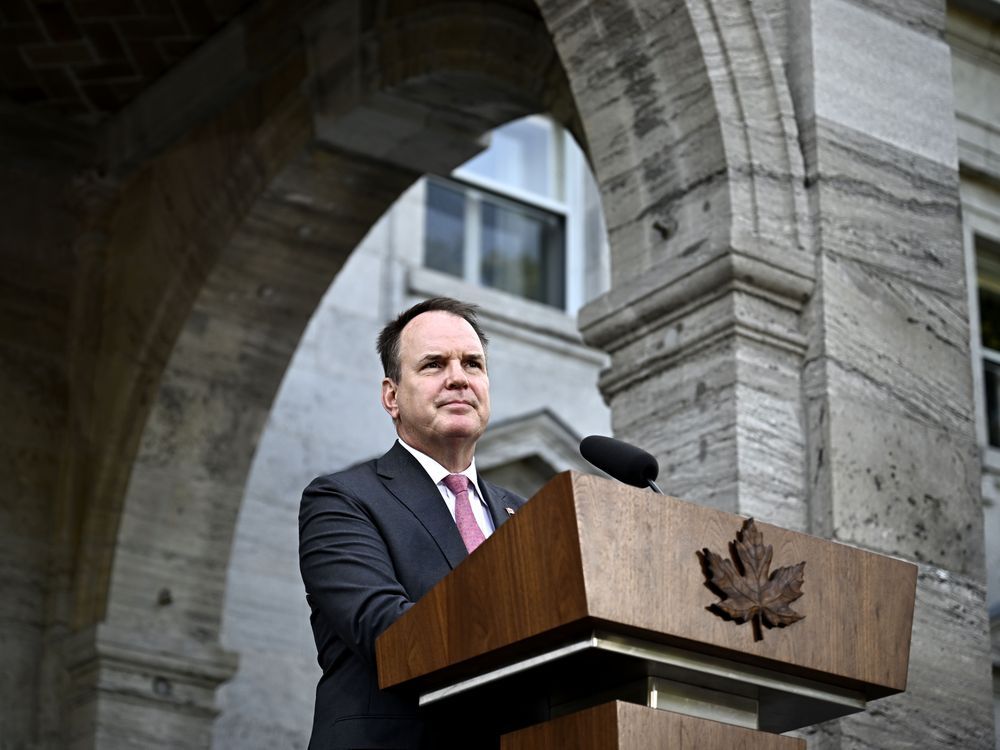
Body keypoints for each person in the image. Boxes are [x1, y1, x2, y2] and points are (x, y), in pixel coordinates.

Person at [299, 297, 527, 749]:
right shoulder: (342, 500)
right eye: (434, 364)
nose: (458, 378)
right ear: (392, 396)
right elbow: (390, 633)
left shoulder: (526, 515)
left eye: (473, 364)